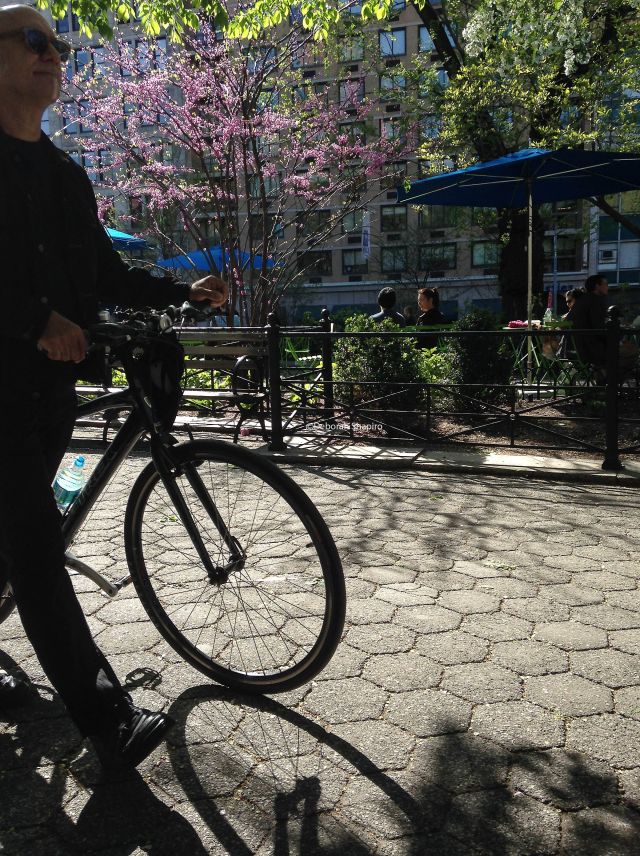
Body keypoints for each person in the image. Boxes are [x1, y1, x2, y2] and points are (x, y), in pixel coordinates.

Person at [0, 5, 228, 770]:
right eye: (33, 41)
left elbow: (101, 273)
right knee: (36, 549)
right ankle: (107, 718)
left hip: (50, 388)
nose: (51, 55)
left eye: (57, 44)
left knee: (16, 536)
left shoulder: (65, 174)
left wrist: (177, 293)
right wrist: (36, 317)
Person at [565, 274, 609, 367]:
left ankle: (603, 377)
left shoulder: (583, 300)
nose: (607, 287)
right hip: (588, 348)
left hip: (572, 347)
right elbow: (598, 327)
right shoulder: (595, 301)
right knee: (625, 352)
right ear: (597, 286)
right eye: (605, 284)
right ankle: (609, 378)